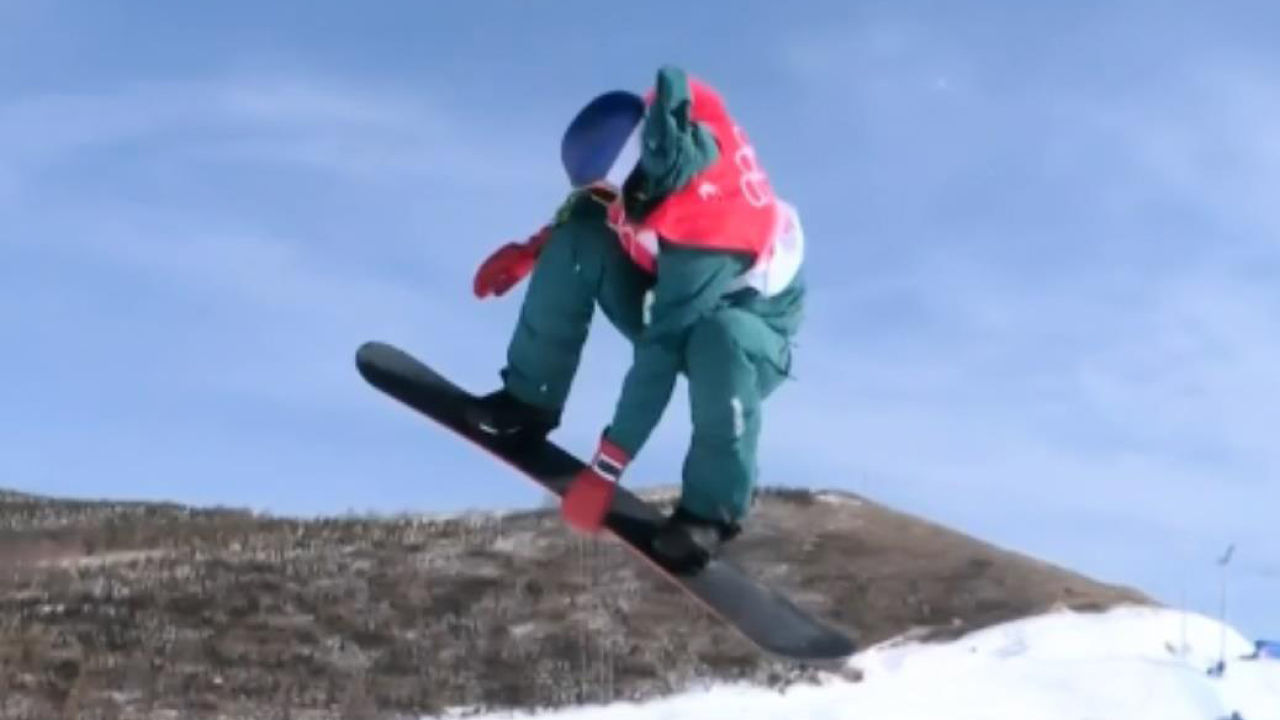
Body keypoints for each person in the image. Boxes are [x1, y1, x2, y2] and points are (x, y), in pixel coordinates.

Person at [467, 65, 806, 571]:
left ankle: (712, 510)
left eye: (605, 192)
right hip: (670, 287)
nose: (601, 201)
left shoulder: (707, 225)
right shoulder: (650, 161)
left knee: (718, 339)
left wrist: (606, 470)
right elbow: (592, 209)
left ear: (635, 179)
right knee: (577, 243)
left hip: (750, 330)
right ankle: (529, 400)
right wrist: (533, 251)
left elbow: (659, 356)